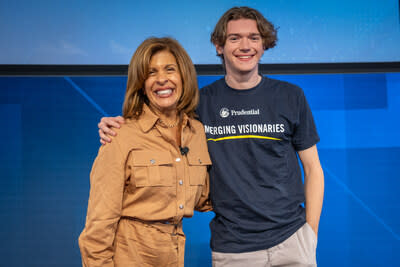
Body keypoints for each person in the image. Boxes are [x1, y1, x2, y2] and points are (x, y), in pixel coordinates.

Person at [98, 6, 324, 267]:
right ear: (219, 46)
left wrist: (310, 233)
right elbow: (158, 120)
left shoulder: (290, 96)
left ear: (264, 45)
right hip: (233, 248)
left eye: (253, 37)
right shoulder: (199, 104)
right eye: (234, 38)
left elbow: (313, 168)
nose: (245, 45)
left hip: (293, 241)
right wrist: (119, 125)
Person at [79, 37, 212, 267]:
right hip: (129, 256)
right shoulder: (120, 135)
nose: (161, 79)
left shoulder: (197, 132)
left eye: (170, 69)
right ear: (141, 83)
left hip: (174, 255)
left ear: (184, 76)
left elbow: (204, 199)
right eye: (151, 73)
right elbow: (98, 225)